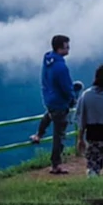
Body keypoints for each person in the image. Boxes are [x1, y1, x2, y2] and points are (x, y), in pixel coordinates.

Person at [39, 34, 76, 174]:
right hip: (60, 103)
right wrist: (72, 99)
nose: (69, 48)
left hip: (49, 99)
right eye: (67, 46)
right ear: (60, 48)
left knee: (50, 114)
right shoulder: (61, 67)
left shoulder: (47, 58)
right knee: (59, 135)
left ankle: (39, 133)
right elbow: (66, 87)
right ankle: (56, 165)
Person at [30, 81, 82, 145]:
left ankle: (38, 135)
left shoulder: (67, 90)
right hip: (64, 113)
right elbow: (73, 103)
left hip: (55, 109)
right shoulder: (75, 94)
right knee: (59, 136)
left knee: (45, 119)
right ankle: (57, 153)